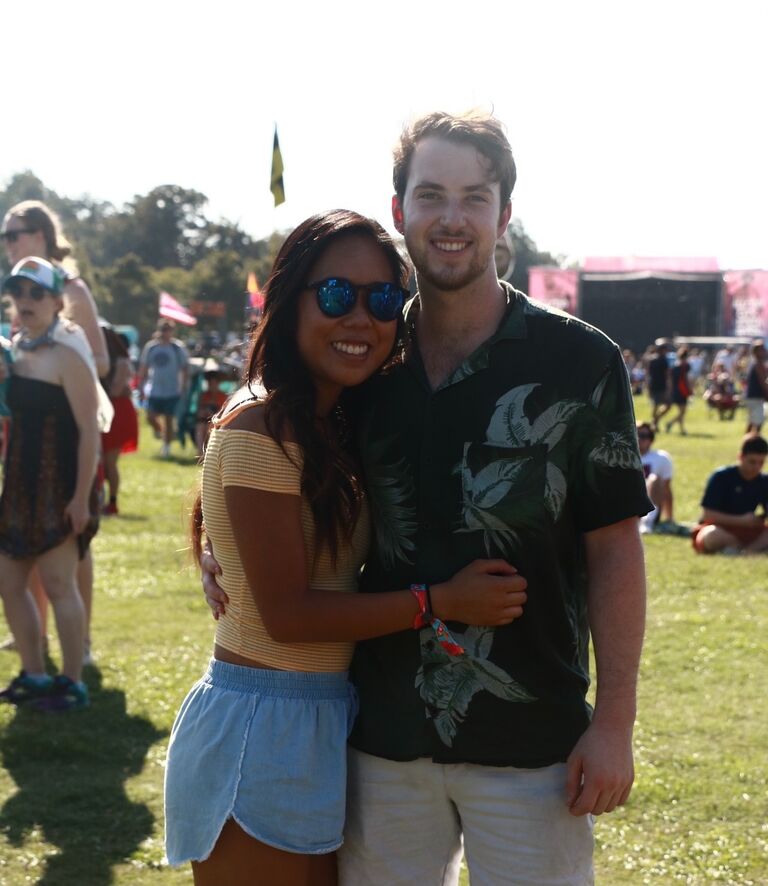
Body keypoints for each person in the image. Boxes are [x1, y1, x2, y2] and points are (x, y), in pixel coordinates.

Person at [203, 112, 650, 886]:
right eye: (432, 194)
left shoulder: (581, 361)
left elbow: (614, 546)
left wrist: (614, 724)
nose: (452, 218)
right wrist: (219, 548)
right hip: (380, 738)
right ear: (401, 209)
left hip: (532, 740)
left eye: (475, 197)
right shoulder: (368, 355)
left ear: (505, 214)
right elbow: (270, 458)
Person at [166, 209, 528, 886]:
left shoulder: (334, 421)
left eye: (384, 299)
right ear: (289, 300)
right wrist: (441, 602)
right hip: (261, 725)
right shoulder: (262, 423)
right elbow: (289, 617)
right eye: (336, 295)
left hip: (327, 717)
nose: (360, 317)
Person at [0, 201, 108, 665]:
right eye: (5, 236)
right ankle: (36, 648)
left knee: (69, 556)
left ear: (41, 235)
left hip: (69, 439)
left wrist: (64, 357)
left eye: (15, 233)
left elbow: (100, 361)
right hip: (28, 444)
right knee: (25, 564)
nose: (7, 243)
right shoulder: (23, 296)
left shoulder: (71, 289)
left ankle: (77, 650)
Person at [691, 434, 768, 555]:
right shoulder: (721, 477)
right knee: (711, 536)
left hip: (750, 531)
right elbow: (707, 514)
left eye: (761, 463)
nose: (756, 467)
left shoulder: (764, 481)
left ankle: (746, 552)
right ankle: (742, 549)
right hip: (720, 528)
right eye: (752, 462)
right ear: (741, 457)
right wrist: (742, 520)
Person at [100, 324, 139, 515]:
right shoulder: (100, 360)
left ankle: (112, 503)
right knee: (100, 462)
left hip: (119, 412)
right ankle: (101, 500)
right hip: (105, 411)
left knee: (109, 462)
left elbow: (115, 390)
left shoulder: (121, 361)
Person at [139, 319, 189, 457]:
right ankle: (163, 433)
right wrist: (141, 387)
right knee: (150, 417)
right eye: (163, 329)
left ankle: (166, 447)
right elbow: (144, 368)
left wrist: (183, 385)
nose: (165, 332)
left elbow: (185, 368)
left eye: (168, 329)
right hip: (154, 389)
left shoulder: (177, 348)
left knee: (168, 418)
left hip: (172, 389)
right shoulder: (151, 347)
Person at [636, 422, 674, 533]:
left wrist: (669, 518)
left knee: (655, 479)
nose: (639, 439)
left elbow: (666, 489)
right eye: (636, 434)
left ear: (651, 439)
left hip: (649, 502)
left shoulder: (661, 458)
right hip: (628, 501)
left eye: (643, 436)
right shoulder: (621, 457)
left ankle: (647, 522)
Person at [743, 340, 768, 433]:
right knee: (758, 422)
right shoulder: (758, 364)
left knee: (753, 421)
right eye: (763, 349)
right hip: (755, 397)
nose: (765, 351)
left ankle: (747, 443)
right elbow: (764, 382)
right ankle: (752, 443)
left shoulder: (756, 363)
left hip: (752, 397)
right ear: (757, 351)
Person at [665, 346, 691, 435]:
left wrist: (670, 391)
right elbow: (686, 379)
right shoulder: (686, 366)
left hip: (676, 391)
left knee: (681, 412)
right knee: (682, 412)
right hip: (682, 390)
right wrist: (690, 389)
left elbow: (670, 380)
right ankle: (670, 423)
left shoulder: (674, 366)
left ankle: (682, 430)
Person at [645, 343, 672, 430]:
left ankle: (655, 421)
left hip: (653, 385)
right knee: (667, 405)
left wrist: (648, 386)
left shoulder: (652, 360)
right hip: (661, 386)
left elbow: (648, 374)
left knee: (656, 405)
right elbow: (667, 375)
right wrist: (669, 387)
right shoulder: (664, 360)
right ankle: (655, 421)